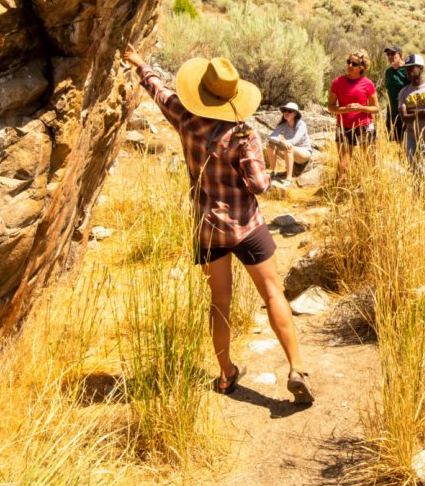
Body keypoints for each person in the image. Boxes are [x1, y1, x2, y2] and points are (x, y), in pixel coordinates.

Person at [123, 45, 314, 404]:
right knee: (273, 292)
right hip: (246, 224)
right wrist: (254, 159)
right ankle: (296, 368)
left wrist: (139, 64)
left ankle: (226, 374)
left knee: (219, 302)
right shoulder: (242, 135)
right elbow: (259, 184)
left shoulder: (183, 117)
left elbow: (159, 90)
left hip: (209, 227)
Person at [328, 49, 378, 177]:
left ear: (361, 67)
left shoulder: (367, 84)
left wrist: (361, 108)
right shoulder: (338, 82)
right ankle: (338, 194)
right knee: (343, 165)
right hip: (344, 126)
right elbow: (330, 107)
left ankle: (370, 192)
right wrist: (344, 110)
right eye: (348, 62)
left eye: (354, 64)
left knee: (370, 162)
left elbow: (376, 108)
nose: (349, 65)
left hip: (364, 126)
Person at [397, 54, 425, 176]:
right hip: (412, 137)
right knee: (414, 172)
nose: (408, 72)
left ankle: (424, 194)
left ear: (420, 68)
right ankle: (417, 195)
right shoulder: (404, 92)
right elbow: (404, 118)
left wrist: (412, 112)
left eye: (411, 68)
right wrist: (423, 111)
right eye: (406, 69)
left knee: (424, 173)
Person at [264, 102, 312, 185]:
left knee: (288, 147)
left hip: (304, 153)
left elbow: (294, 141)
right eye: (285, 111)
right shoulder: (283, 125)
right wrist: (280, 141)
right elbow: (271, 137)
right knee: (269, 145)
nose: (286, 113)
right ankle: (274, 171)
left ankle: (288, 178)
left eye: (289, 111)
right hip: (290, 151)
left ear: (295, 114)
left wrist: (283, 142)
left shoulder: (301, 124)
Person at [381, 45, 409, 142]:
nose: (390, 56)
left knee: (407, 143)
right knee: (394, 143)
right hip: (392, 112)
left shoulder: (408, 69)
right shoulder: (388, 72)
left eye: (393, 53)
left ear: (400, 55)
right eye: (388, 54)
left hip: (406, 113)